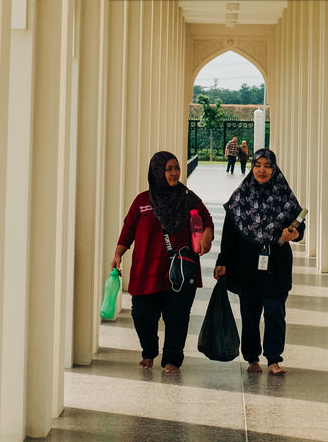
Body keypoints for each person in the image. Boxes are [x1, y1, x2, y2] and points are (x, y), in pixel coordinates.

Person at [112, 151, 214, 372]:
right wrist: (118, 253)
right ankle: (149, 352)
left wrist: (206, 236)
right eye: (168, 168)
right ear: (157, 171)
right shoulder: (142, 201)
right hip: (146, 269)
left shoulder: (188, 198)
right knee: (141, 314)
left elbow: (206, 220)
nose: (174, 172)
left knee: (177, 318)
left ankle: (172, 360)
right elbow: (129, 229)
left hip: (179, 271)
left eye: (176, 168)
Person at [214, 148, 303, 375]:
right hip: (247, 262)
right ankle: (252, 357)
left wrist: (296, 233)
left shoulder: (284, 194)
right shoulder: (241, 196)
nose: (262, 170)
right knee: (250, 312)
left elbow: (298, 223)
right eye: (258, 165)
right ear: (252, 167)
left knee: (275, 310)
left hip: (277, 262)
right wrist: (222, 260)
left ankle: (273, 359)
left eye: (267, 166)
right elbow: (229, 233)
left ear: (274, 169)